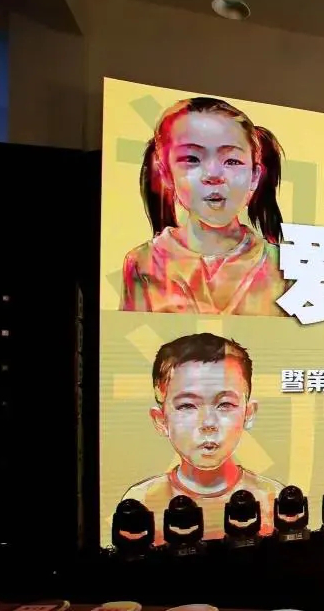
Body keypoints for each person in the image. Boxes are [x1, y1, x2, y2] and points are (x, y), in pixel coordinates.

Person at [121, 97, 288, 315]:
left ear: (254, 176)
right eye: (192, 159)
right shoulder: (143, 263)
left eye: (232, 161)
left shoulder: (283, 266)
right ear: (166, 174)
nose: (213, 175)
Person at [121, 333, 283, 543]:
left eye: (225, 404)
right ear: (160, 420)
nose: (208, 423)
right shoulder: (141, 502)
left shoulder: (272, 498)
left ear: (248, 414)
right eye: (187, 406)